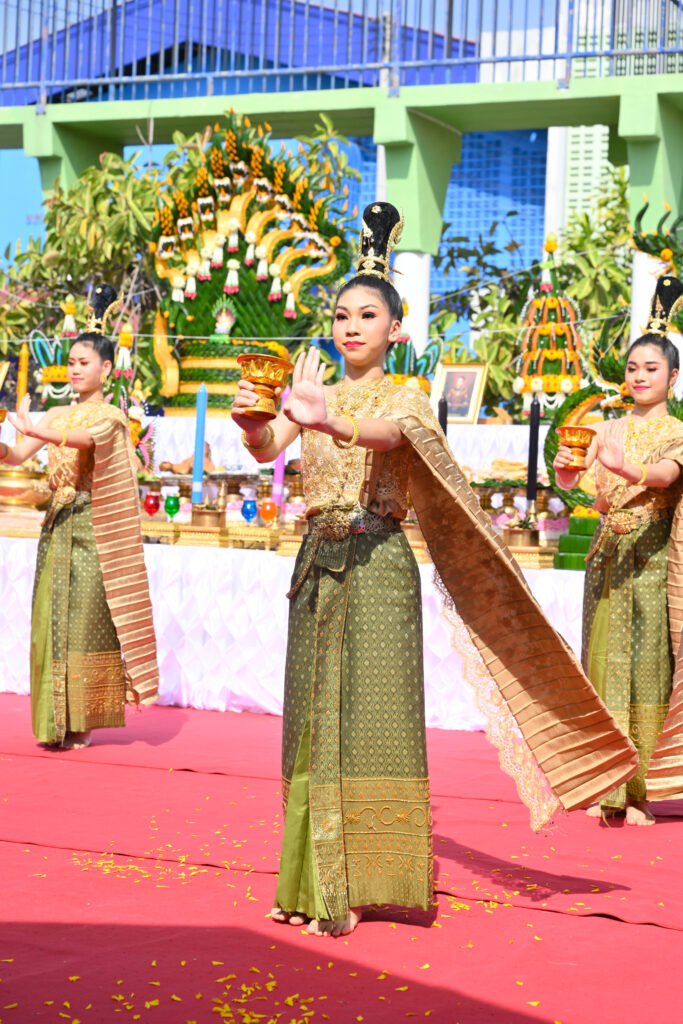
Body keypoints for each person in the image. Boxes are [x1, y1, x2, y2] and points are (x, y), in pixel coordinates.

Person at [232, 202, 637, 938]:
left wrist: (326, 418)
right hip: (316, 564)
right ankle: (308, 880)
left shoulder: (408, 396)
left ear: (397, 329)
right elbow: (267, 448)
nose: (351, 326)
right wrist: (255, 419)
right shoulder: (315, 391)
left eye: (367, 316)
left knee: (370, 720)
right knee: (310, 719)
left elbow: (388, 435)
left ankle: (361, 885)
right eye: (341, 315)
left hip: (378, 567)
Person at [0, 284, 158, 749]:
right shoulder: (55, 412)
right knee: (52, 618)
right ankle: (53, 722)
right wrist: (9, 441)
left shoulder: (111, 416)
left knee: (87, 620)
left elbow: (87, 442)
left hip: (94, 528)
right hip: (58, 525)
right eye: (70, 362)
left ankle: (83, 721)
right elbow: (15, 456)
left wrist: (41, 431)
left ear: (106, 368)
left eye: (83, 362)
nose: (74, 369)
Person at [554, 275, 683, 825]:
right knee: (603, 662)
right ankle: (606, 784)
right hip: (608, 560)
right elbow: (576, 481)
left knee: (649, 668)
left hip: (654, 562)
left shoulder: (677, 431)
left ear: (672, 376)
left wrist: (626, 466)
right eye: (632, 368)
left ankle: (641, 792)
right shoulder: (605, 428)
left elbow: (664, 476)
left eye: (651, 368)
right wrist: (566, 469)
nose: (639, 376)